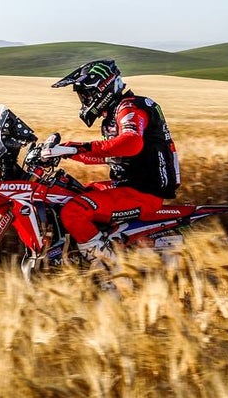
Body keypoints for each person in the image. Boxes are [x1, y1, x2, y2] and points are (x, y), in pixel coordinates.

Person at [41, 59, 180, 265]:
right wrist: (66, 152)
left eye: (86, 94)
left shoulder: (130, 107)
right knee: (69, 195)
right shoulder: (112, 116)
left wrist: (78, 148)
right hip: (127, 186)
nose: (84, 100)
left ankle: (112, 272)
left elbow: (131, 143)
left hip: (144, 192)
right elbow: (109, 154)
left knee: (74, 211)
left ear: (102, 88)